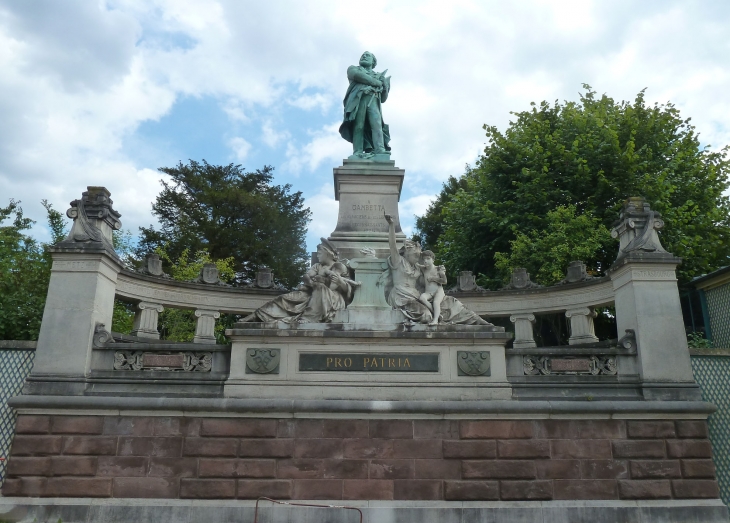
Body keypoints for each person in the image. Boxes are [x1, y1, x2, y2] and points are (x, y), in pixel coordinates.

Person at [383, 213, 492, 326]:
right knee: (426, 316)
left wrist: (440, 272)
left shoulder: (417, 267)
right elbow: (392, 245)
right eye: (415, 255)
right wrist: (391, 225)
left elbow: (431, 279)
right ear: (406, 252)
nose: (418, 257)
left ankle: (478, 321)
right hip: (403, 298)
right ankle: (436, 316)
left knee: (453, 303)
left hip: (418, 296)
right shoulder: (398, 261)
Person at [241, 238, 352, 323]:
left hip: (331, 297)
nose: (318, 255)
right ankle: (258, 315)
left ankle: (309, 317)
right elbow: (307, 276)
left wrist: (337, 281)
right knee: (285, 298)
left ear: (328, 253)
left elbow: (338, 288)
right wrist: (312, 282)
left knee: (320, 288)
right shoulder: (318, 266)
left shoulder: (338, 266)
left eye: (320, 253)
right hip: (311, 293)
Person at [338, 51, 391, 159]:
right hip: (359, 99)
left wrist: (384, 86)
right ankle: (357, 151)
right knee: (359, 125)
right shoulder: (353, 69)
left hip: (373, 100)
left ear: (373, 62)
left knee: (376, 125)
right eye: (363, 55)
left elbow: (384, 99)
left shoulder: (379, 76)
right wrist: (377, 83)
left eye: (368, 56)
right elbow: (359, 76)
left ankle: (380, 149)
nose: (364, 56)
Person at [417, 251, 447, 326]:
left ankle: (435, 320)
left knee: (436, 302)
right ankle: (436, 313)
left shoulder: (438, 269)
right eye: (424, 259)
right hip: (428, 292)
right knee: (422, 298)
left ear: (433, 260)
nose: (425, 261)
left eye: (428, 258)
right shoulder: (424, 269)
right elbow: (415, 263)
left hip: (438, 291)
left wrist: (434, 278)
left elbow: (444, 281)